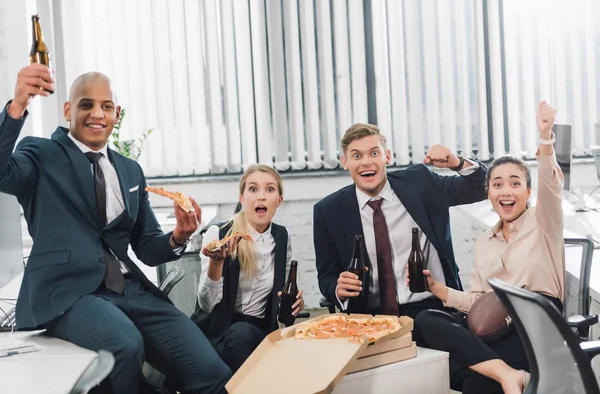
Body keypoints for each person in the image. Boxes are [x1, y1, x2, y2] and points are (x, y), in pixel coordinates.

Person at [0, 65, 231, 394]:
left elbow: (147, 246)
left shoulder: (129, 170)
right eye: (86, 104)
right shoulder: (41, 155)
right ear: (68, 110)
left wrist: (179, 236)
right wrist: (17, 105)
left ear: (116, 114)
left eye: (106, 106)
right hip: (69, 293)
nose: (97, 114)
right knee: (125, 345)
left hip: (130, 290)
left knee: (211, 371)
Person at [415, 101, 564, 394]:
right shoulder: (484, 242)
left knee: (470, 377)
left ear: (528, 191)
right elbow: (479, 303)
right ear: (489, 193)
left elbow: (550, 184)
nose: (506, 191)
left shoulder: (544, 221)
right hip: (497, 323)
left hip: (538, 322)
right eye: (497, 184)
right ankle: (510, 375)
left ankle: (503, 375)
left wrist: (546, 137)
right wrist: (438, 290)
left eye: (515, 183)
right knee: (425, 320)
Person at [314, 123, 488, 319]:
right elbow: (326, 277)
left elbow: (484, 187)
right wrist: (338, 289)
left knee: (433, 328)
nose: (366, 162)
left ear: (387, 157)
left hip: (431, 306)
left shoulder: (420, 183)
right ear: (345, 162)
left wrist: (458, 163)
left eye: (374, 153)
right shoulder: (328, 211)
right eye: (356, 156)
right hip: (368, 317)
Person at [191, 165, 304, 373]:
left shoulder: (281, 237)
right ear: (242, 198)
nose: (261, 197)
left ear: (279, 200)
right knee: (238, 336)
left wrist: (293, 302)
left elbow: (280, 298)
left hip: (260, 329)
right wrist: (216, 264)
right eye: (253, 189)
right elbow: (206, 306)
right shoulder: (218, 234)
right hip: (219, 330)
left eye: (270, 190)